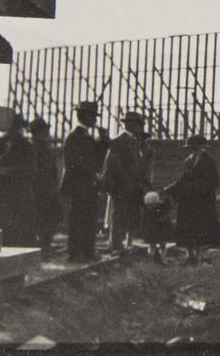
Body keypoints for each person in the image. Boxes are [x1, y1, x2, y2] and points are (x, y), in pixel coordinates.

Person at [0, 114, 37, 246]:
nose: (13, 131)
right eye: (12, 128)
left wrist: (9, 171)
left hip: (18, 193)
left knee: (18, 230)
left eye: (16, 128)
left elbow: (31, 169)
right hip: (2, 193)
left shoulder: (26, 147)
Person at [165, 135, 220, 264]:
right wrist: (169, 189)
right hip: (188, 200)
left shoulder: (209, 161)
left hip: (203, 201)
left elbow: (214, 181)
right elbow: (182, 179)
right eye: (190, 148)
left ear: (202, 147)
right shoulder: (188, 161)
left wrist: (197, 189)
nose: (192, 150)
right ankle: (190, 255)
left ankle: (199, 256)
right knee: (187, 228)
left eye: (194, 147)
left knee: (202, 229)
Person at [60, 101, 104, 263]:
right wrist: (94, 175)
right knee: (78, 219)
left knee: (88, 218)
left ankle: (87, 251)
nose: (95, 119)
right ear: (83, 116)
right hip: (78, 185)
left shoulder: (86, 136)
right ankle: (75, 253)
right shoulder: (74, 136)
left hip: (87, 185)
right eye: (92, 115)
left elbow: (98, 156)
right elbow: (74, 163)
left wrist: (103, 140)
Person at [101, 111, 149, 254]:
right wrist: (125, 182)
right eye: (138, 124)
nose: (140, 128)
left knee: (128, 214)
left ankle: (123, 245)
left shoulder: (134, 141)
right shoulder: (119, 141)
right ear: (130, 124)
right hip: (121, 185)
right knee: (119, 215)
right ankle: (116, 245)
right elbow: (113, 164)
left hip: (131, 185)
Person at [29, 117, 64, 257]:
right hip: (39, 190)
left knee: (52, 218)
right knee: (40, 220)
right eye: (44, 131)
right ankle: (40, 249)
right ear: (37, 133)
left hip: (49, 189)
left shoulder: (46, 148)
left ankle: (44, 247)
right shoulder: (33, 148)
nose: (47, 134)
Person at [141, 189, 174, 264]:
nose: (150, 207)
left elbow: (169, 206)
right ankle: (152, 260)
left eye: (152, 205)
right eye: (148, 205)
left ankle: (163, 259)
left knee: (163, 244)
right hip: (153, 231)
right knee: (152, 245)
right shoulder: (147, 213)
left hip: (162, 230)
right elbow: (145, 223)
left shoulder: (162, 208)